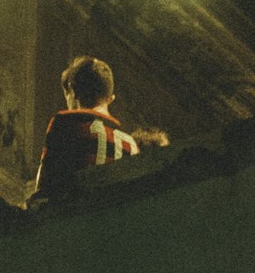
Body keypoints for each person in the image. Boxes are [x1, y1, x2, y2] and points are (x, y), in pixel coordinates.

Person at [33, 55, 161, 201]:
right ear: (110, 98)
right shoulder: (131, 144)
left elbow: (43, 190)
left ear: (72, 91)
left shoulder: (66, 123)